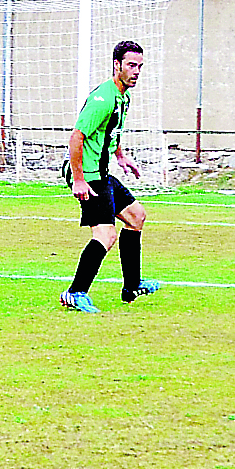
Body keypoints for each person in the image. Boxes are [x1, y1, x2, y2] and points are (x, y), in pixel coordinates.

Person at [60, 40, 161, 313]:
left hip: (102, 172)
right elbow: (77, 137)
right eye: (131, 65)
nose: (136, 71)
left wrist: (120, 155)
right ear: (117, 65)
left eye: (140, 66)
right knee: (105, 235)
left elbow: (109, 132)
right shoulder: (103, 99)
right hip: (89, 175)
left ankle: (132, 286)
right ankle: (75, 292)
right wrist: (79, 180)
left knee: (136, 216)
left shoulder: (122, 96)